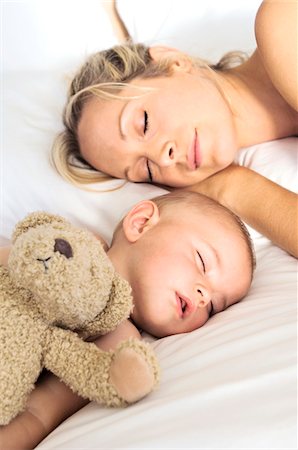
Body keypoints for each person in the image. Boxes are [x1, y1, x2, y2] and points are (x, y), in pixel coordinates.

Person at [0, 190, 255, 449]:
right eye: (202, 261)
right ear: (141, 223)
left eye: (212, 307)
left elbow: (39, 413)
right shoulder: (78, 245)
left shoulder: (120, 341)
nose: (203, 296)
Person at [51, 0, 298, 258]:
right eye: (146, 169)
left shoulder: (281, 24)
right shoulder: (232, 180)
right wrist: (233, 187)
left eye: (144, 123)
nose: (162, 158)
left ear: (173, 61)